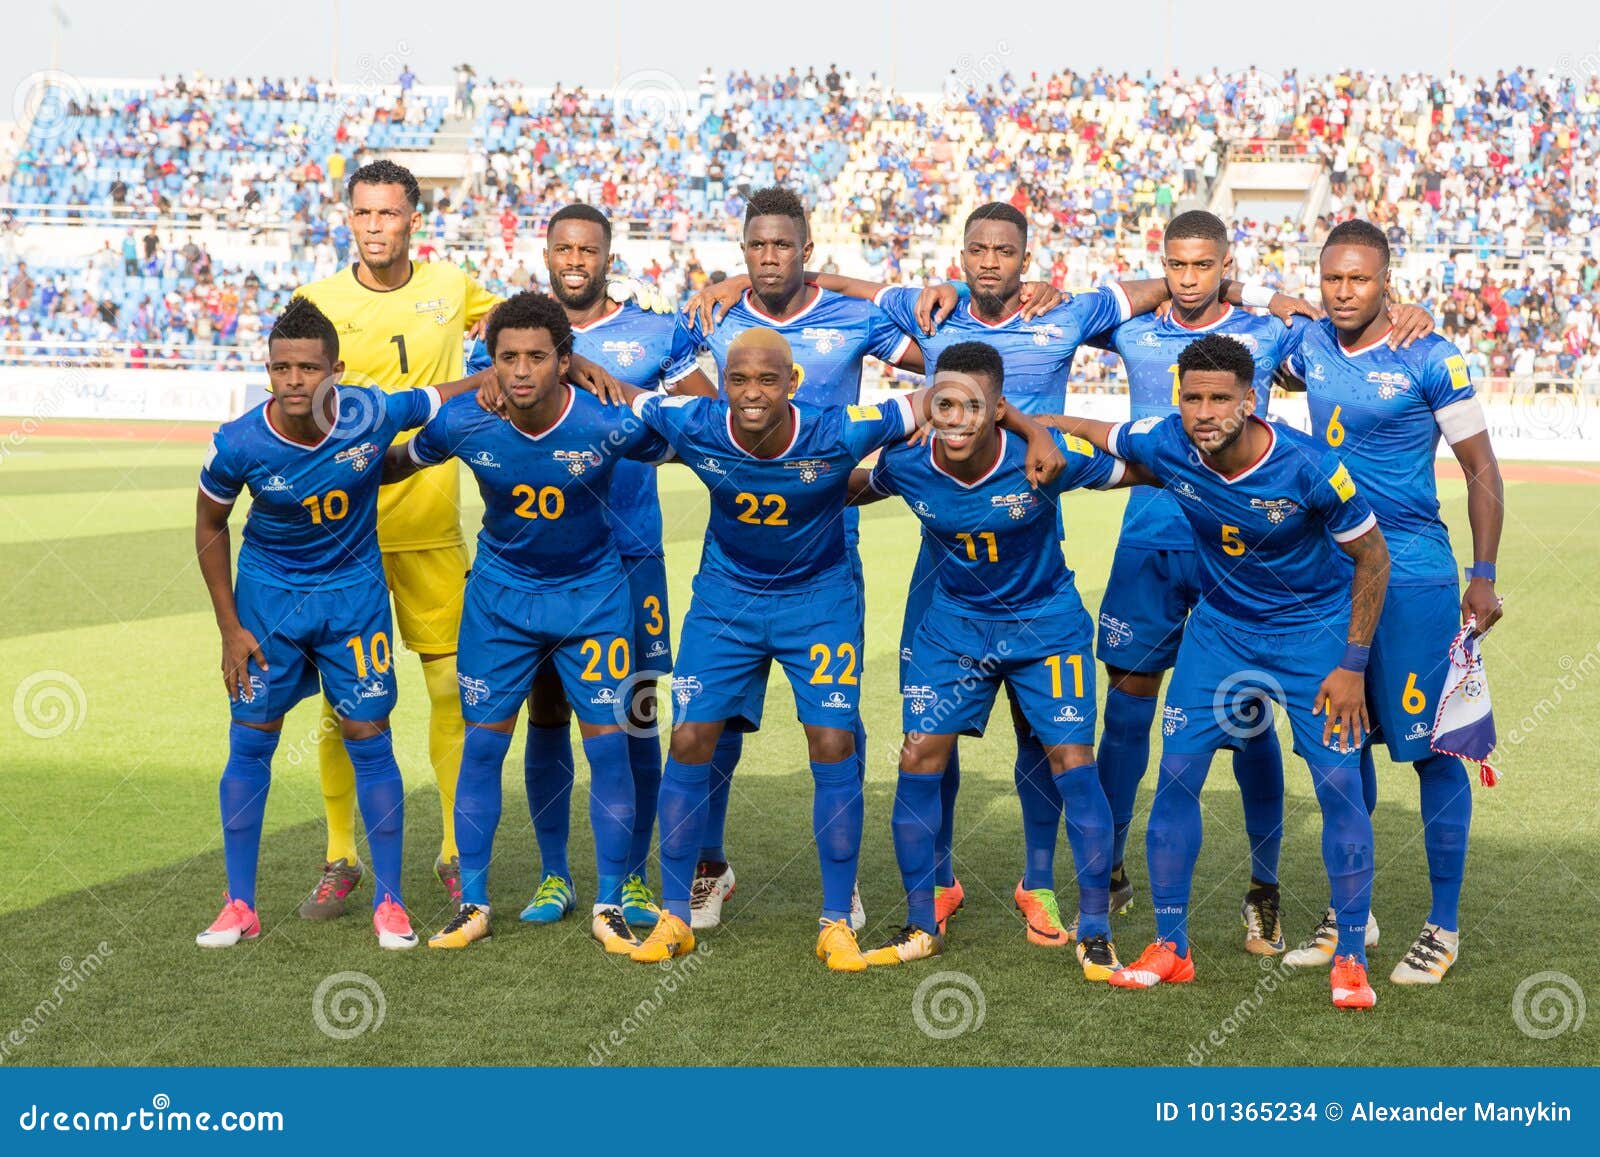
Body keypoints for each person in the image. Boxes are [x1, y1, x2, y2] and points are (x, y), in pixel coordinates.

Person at [581, 327, 1060, 970]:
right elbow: (617, 394)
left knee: (831, 742)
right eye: (740, 380)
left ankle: (836, 918)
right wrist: (574, 355)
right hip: (728, 600)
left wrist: (1033, 430)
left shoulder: (842, 428)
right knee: (690, 738)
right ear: (723, 384)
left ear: (793, 383)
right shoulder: (691, 420)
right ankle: (674, 916)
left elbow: (950, 391)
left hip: (819, 601)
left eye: (768, 380)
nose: (752, 394)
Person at [1087, 209, 1433, 956]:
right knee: (1128, 714)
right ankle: (1112, 870)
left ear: (1225, 265)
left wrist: (1404, 311)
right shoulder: (1131, 328)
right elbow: (1058, 327)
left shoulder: (1272, 330)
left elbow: (1337, 321)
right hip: (1151, 541)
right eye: (1175, 265)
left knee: (1249, 725)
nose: (1186, 278)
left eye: (1203, 265)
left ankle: (1263, 888)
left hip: (1255, 562)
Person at [1039, 333, 1392, 1011]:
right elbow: (1096, 430)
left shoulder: (1311, 465)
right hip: (1220, 630)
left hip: (1310, 635)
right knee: (1176, 775)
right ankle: (1172, 946)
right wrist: (1025, 423)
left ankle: (1349, 955)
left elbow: (1373, 559)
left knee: (1340, 786)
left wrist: (1352, 664)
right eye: (1192, 396)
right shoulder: (1168, 440)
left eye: (1219, 398)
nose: (1203, 412)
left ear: (1250, 400)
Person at [666, 186, 929, 932]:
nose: (769, 257)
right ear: (742, 249)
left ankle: (838, 892)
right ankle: (706, 867)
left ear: (807, 251)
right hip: (734, 553)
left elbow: (942, 365)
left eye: (784, 245)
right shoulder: (713, 316)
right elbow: (656, 370)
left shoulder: (852, 318)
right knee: (706, 724)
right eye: (757, 246)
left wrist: (875, 476)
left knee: (833, 723)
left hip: (824, 544)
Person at [386, 292, 677, 954]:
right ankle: (475, 903)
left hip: (594, 598)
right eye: (507, 357)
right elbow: (396, 463)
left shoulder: (606, 420)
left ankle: (610, 901)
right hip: (500, 601)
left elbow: (688, 438)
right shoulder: (467, 420)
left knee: (609, 745)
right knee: (483, 747)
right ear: (489, 363)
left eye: (537, 358)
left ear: (564, 361)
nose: (521, 371)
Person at [848, 341, 1147, 980]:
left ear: (997, 411)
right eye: (942, 403)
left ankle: (1093, 931)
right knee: (918, 753)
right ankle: (920, 923)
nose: (954, 418)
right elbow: (836, 489)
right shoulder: (907, 464)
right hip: (954, 626)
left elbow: (1140, 470)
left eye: (971, 407)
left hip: (1045, 626)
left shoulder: (1043, 462)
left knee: (1071, 760)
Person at [192, 298, 482, 950]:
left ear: (336, 370)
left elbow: (438, 395)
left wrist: (489, 382)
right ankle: (239, 904)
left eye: (308, 367)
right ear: (268, 370)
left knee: (367, 732)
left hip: (354, 599)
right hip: (269, 602)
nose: (294, 379)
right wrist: (229, 627)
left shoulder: (370, 411)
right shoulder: (239, 441)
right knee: (252, 738)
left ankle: (392, 903)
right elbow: (210, 527)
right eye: (281, 367)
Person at [464, 204, 715, 929]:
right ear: (546, 253)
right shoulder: (511, 339)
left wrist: (616, 386)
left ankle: (630, 877)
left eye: (589, 249)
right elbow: (486, 402)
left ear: (609, 255)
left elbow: (703, 410)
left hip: (629, 552)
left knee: (632, 718)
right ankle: (553, 874)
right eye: (564, 247)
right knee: (545, 713)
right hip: (537, 562)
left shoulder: (654, 331)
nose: (576, 259)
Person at [1278, 219, 1505, 985]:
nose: (1344, 293)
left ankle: (1443, 925)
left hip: (1411, 577)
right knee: (1344, 742)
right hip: (1327, 574)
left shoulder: (1432, 354)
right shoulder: (1305, 345)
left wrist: (1483, 573)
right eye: (1332, 279)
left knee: (1433, 752)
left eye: (1360, 280)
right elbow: (1251, 313)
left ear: (1388, 283)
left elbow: (1481, 467)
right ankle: (1355, 914)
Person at [291, 159, 501, 919]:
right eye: (362, 214)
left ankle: (451, 850)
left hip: (430, 529)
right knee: (340, 704)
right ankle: (340, 854)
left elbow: (519, 328)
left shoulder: (453, 285)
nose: (374, 227)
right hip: (341, 538)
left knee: (452, 688)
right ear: (348, 219)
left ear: (414, 219)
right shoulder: (315, 301)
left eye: (388, 214)